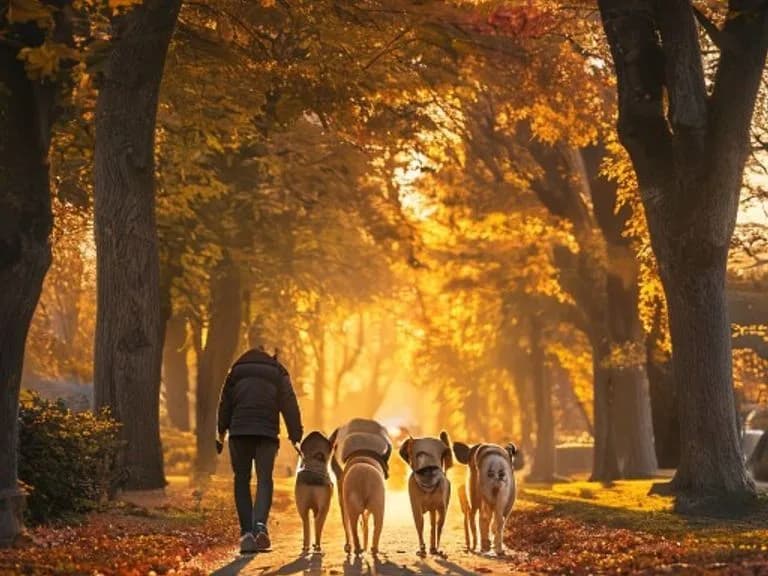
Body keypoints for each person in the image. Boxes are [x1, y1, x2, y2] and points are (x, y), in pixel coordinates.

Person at [217, 332, 303, 554]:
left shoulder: (235, 372)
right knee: (265, 479)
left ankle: (246, 532)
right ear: (267, 353)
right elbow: (289, 402)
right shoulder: (277, 372)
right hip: (266, 433)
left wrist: (221, 431)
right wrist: (296, 434)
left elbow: (224, 403)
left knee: (241, 479)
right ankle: (260, 526)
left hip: (239, 432)